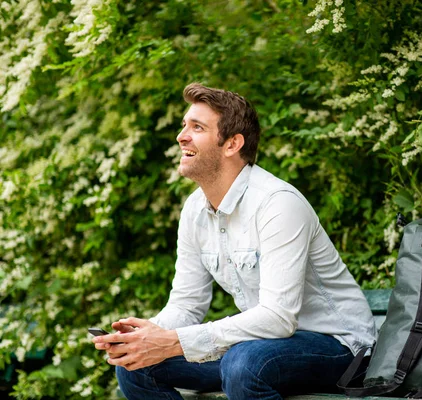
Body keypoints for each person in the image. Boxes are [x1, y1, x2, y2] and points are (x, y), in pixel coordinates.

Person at [93, 83, 376, 400]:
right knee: (136, 365)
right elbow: (186, 305)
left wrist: (174, 341)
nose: (181, 136)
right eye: (184, 125)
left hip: (340, 348)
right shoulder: (194, 211)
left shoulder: (278, 204)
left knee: (245, 364)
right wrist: (147, 336)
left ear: (232, 144)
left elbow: (278, 318)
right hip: (263, 346)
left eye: (196, 127)